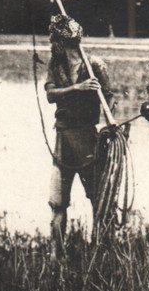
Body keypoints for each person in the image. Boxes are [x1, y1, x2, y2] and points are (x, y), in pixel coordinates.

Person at [44, 14, 115, 254]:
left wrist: (111, 124)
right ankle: (57, 254)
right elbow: (50, 94)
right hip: (63, 138)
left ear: (65, 43)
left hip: (87, 138)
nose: (52, 45)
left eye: (55, 41)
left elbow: (109, 98)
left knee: (99, 199)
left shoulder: (94, 65)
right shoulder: (56, 65)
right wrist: (77, 88)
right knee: (57, 202)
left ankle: (101, 250)